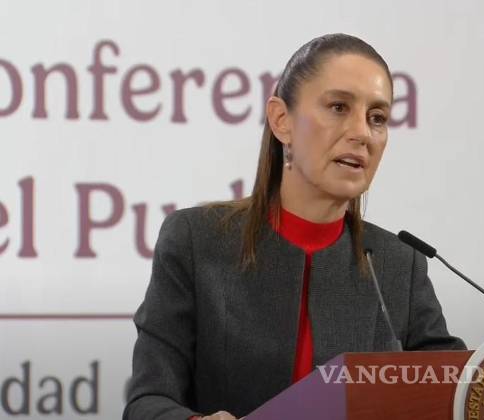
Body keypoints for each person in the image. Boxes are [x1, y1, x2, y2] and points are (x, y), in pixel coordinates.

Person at [123, 33, 466, 420]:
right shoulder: (194, 241)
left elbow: (461, 393)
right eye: (338, 107)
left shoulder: (399, 264)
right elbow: (147, 401)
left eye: (377, 118)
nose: (362, 133)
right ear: (281, 120)